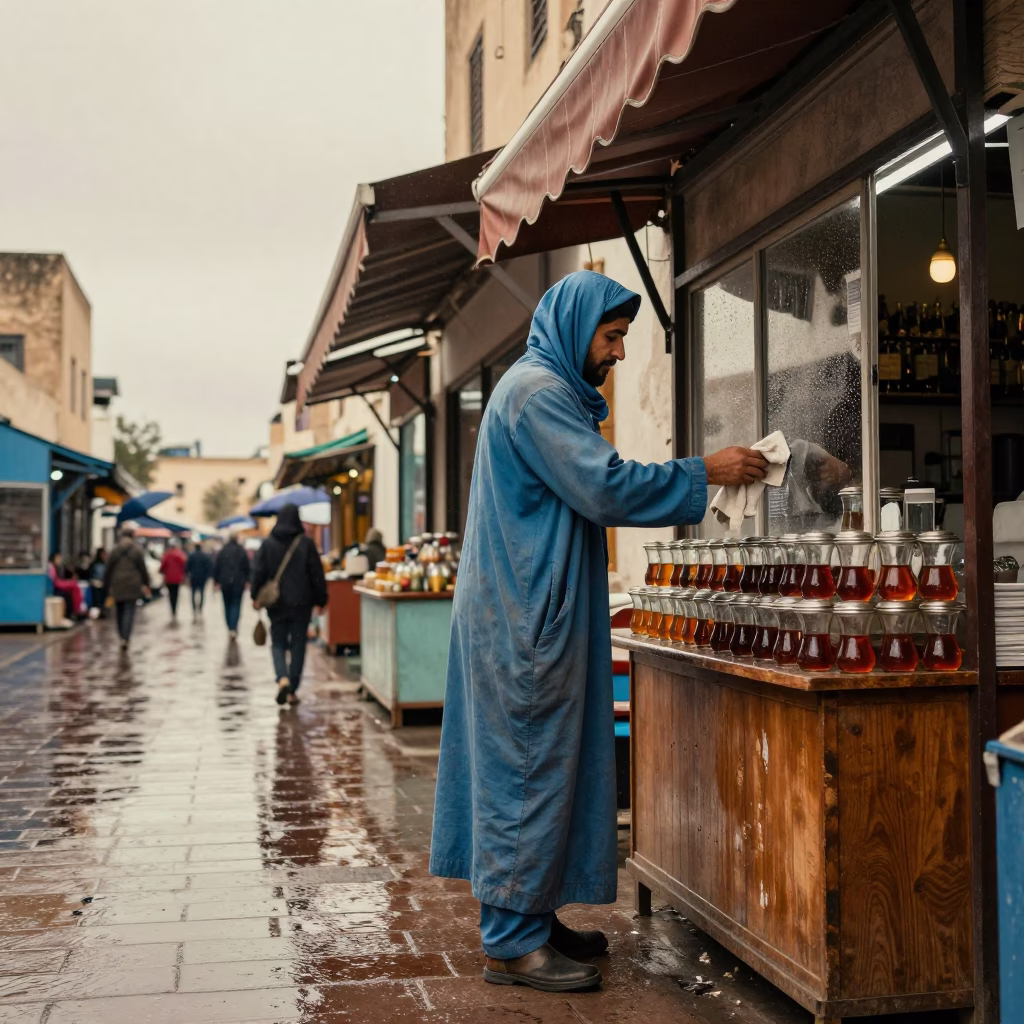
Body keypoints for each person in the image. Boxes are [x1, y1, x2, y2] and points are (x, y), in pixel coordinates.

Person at [428, 271, 768, 993]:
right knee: (528, 770)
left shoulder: (535, 388)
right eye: (611, 338)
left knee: (545, 768)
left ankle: (532, 915)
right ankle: (511, 944)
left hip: (525, 612)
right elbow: (606, 485)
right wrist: (704, 470)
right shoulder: (540, 395)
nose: (617, 353)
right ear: (576, 328)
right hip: (525, 623)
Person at [251, 503, 327, 707]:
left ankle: (282, 678)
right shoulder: (307, 544)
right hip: (302, 603)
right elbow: (316, 575)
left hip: (276, 603)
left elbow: (258, 572)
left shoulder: (268, 544)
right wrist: (321, 600)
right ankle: (292, 688)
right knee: (298, 643)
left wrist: (255, 596)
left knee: (277, 642)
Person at [104, 522, 151, 649]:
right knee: (129, 611)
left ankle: (121, 636)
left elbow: (108, 569)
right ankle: (126, 637)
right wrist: (147, 583)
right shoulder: (136, 550)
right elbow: (143, 569)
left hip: (118, 584)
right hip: (132, 584)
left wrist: (106, 584)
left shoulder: (115, 549)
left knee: (119, 610)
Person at [213, 529, 250, 638]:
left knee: (227, 605)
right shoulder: (241, 550)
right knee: (236, 605)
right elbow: (247, 567)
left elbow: (217, 566)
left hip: (225, 582)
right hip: (238, 582)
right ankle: (233, 627)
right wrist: (248, 580)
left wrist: (216, 581)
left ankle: (230, 627)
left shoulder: (223, 550)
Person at [47, 553, 83, 621]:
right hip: (56, 587)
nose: (59, 560)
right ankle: (75, 611)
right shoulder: (52, 567)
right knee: (71, 590)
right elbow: (55, 582)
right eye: (58, 558)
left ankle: (76, 611)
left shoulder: (59, 567)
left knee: (73, 589)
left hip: (59, 585)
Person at [186, 541, 214, 620]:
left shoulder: (191, 555)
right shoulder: (205, 556)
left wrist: (187, 576)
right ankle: (200, 608)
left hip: (194, 577)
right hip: (202, 577)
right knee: (201, 593)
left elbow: (187, 567)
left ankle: (194, 608)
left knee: (193, 594)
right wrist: (208, 576)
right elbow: (209, 566)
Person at [159, 539, 187, 620]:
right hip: (177, 579)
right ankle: (174, 609)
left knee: (171, 594)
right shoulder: (180, 555)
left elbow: (162, 566)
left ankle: (172, 609)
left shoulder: (167, 555)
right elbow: (184, 565)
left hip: (169, 578)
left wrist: (161, 571)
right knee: (176, 594)